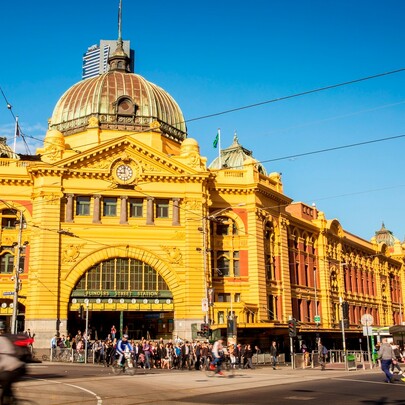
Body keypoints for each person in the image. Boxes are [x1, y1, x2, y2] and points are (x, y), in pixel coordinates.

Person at [0, 325, 26, 404]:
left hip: (12, 368)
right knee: (6, 388)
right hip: (19, 367)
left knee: (5, 383)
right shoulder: (6, 338)